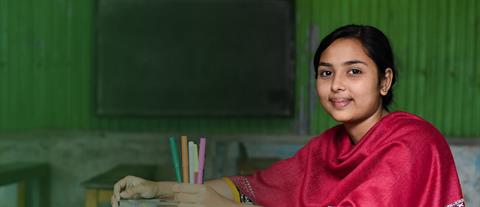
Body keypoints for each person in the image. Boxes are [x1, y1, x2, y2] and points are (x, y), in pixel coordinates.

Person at [111, 25, 465, 207]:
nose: (337, 86)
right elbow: (254, 188)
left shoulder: (411, 144)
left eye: (354, 72)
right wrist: (160, 189)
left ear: (385, 80)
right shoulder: (328, 148)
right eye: (326, 73)